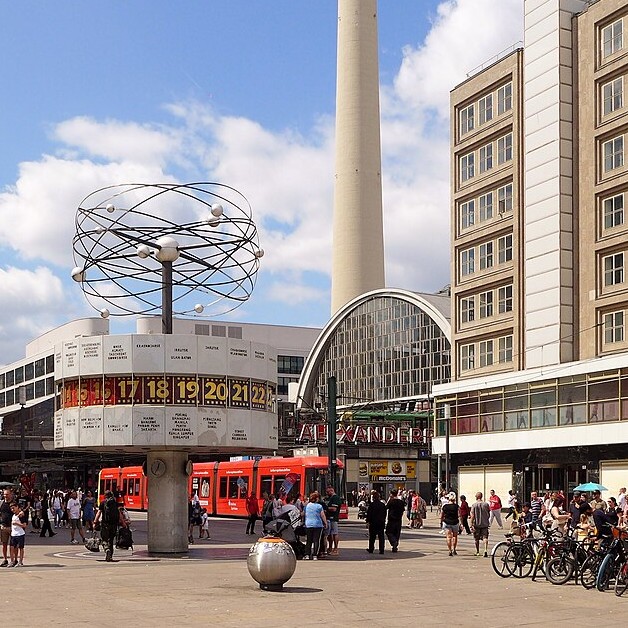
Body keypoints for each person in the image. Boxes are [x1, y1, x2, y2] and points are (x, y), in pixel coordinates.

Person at [94, 490, 121, 562]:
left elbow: (98, 513)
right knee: (111, 540)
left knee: (104, 539)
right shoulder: (115, 503)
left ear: (105, 495)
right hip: (114, 524)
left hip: (105, 524)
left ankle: (107, 549)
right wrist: (123, 522)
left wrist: (95, 521)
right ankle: (110, 556)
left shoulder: (103, 503)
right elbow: (119, 514)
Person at [303, 492, 326, 560]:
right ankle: (315, 555)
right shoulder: (319, 506)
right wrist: (325, 523)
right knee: (316, 540)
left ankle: (307, 555)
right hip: (318, 525)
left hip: (308, 524)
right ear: (316, 499)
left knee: (309, 540)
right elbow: (322, 515)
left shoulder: (306, 506)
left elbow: (303, 514)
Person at [365, 490, 387, 555]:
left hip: (373, 523)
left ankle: (371, 549)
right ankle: (381, 550)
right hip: (381, 523)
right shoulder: (382, 505)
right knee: (381, 537)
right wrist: (383, 519)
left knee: (372, 537)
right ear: (379, 497)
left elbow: (369, 514)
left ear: (373, 498)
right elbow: (385, 513)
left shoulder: (371, 505)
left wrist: (367, 521)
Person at [470, 491, 491, 557]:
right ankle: (485, 550)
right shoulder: (486, 504)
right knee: (485, 537)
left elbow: (472, 515)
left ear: (477, 497)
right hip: (485, 523)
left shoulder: (474, 505)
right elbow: (488, 513)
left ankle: (478, 551)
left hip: (477, 524)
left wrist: (471, 523)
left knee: (476, 539)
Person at [323, 486, 342, 555]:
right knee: (329, 534)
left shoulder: (336, 498)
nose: (327, 493)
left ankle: (336, 548)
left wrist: (326, 508)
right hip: (328, 518)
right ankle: (330, 548)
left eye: (328, 492)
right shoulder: (329, 498)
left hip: (333, 518)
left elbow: (334, 509)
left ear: (332, 491)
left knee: (334, 533)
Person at [0, 488, 15, 567]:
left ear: (11, 495)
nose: (5, 496)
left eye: (7, 494)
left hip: (13, 527)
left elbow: (18, 512)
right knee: (4, 544)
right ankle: (5, 559)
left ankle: (13, 560)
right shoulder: (1, 503)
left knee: (13, 545)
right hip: (3, 527)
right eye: (4, 494)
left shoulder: (13, 503)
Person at [8, 502, 27, 567]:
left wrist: (16, 523)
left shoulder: (21, 515)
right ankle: (12, 561)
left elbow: (24, 525)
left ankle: (20, 561)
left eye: (13, 508)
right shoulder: (14, 515)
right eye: (11, 508)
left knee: (21, 548)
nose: (12, 510)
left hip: (20, 534)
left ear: (17, 507)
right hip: (13, 534)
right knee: (12, 547)